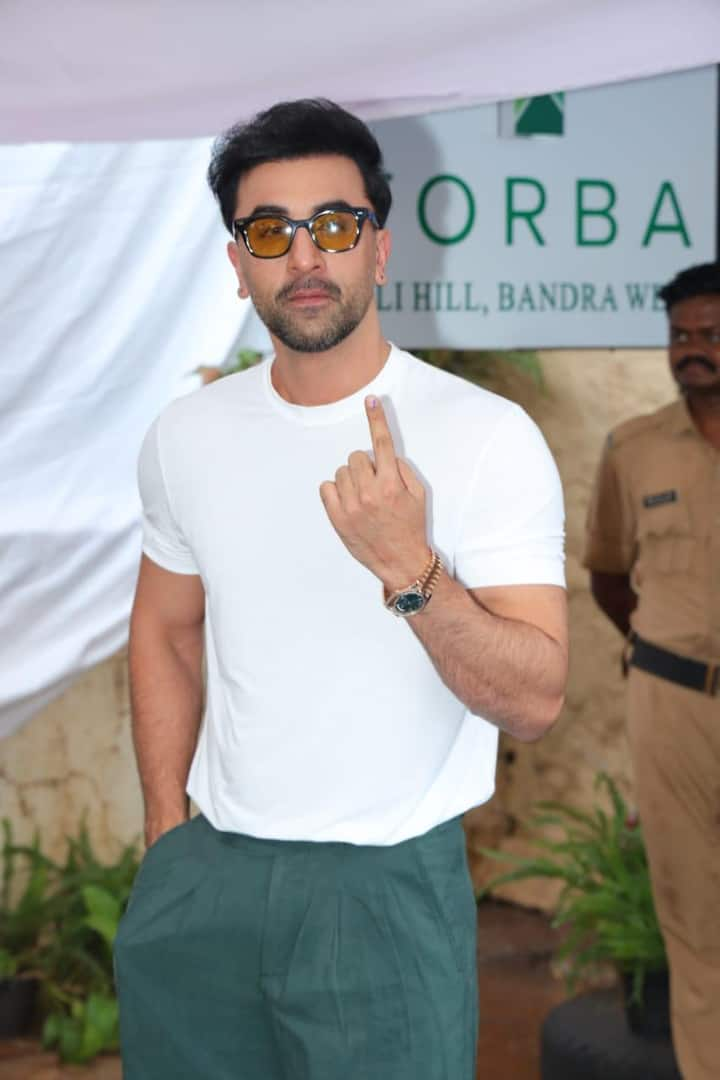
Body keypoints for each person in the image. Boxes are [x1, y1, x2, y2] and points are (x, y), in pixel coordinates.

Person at [114, 98, 567, 1080]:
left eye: (334, 225)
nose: (304, 256)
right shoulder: (186, 435)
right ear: (239, 263)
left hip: (385, 889)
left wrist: (411, 567)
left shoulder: (483, 438)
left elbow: (535, 699)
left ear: (379, 248)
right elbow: (165, 630)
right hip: (210, 879)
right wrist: (166, 834)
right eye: (270, 231)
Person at [583, 261, 720, 1080]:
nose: (692, 351)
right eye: (680, 337)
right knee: (693, 914)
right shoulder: (632, 450)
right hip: (672, 706)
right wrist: (662, 647)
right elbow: (605, 572)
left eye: (709, 334)